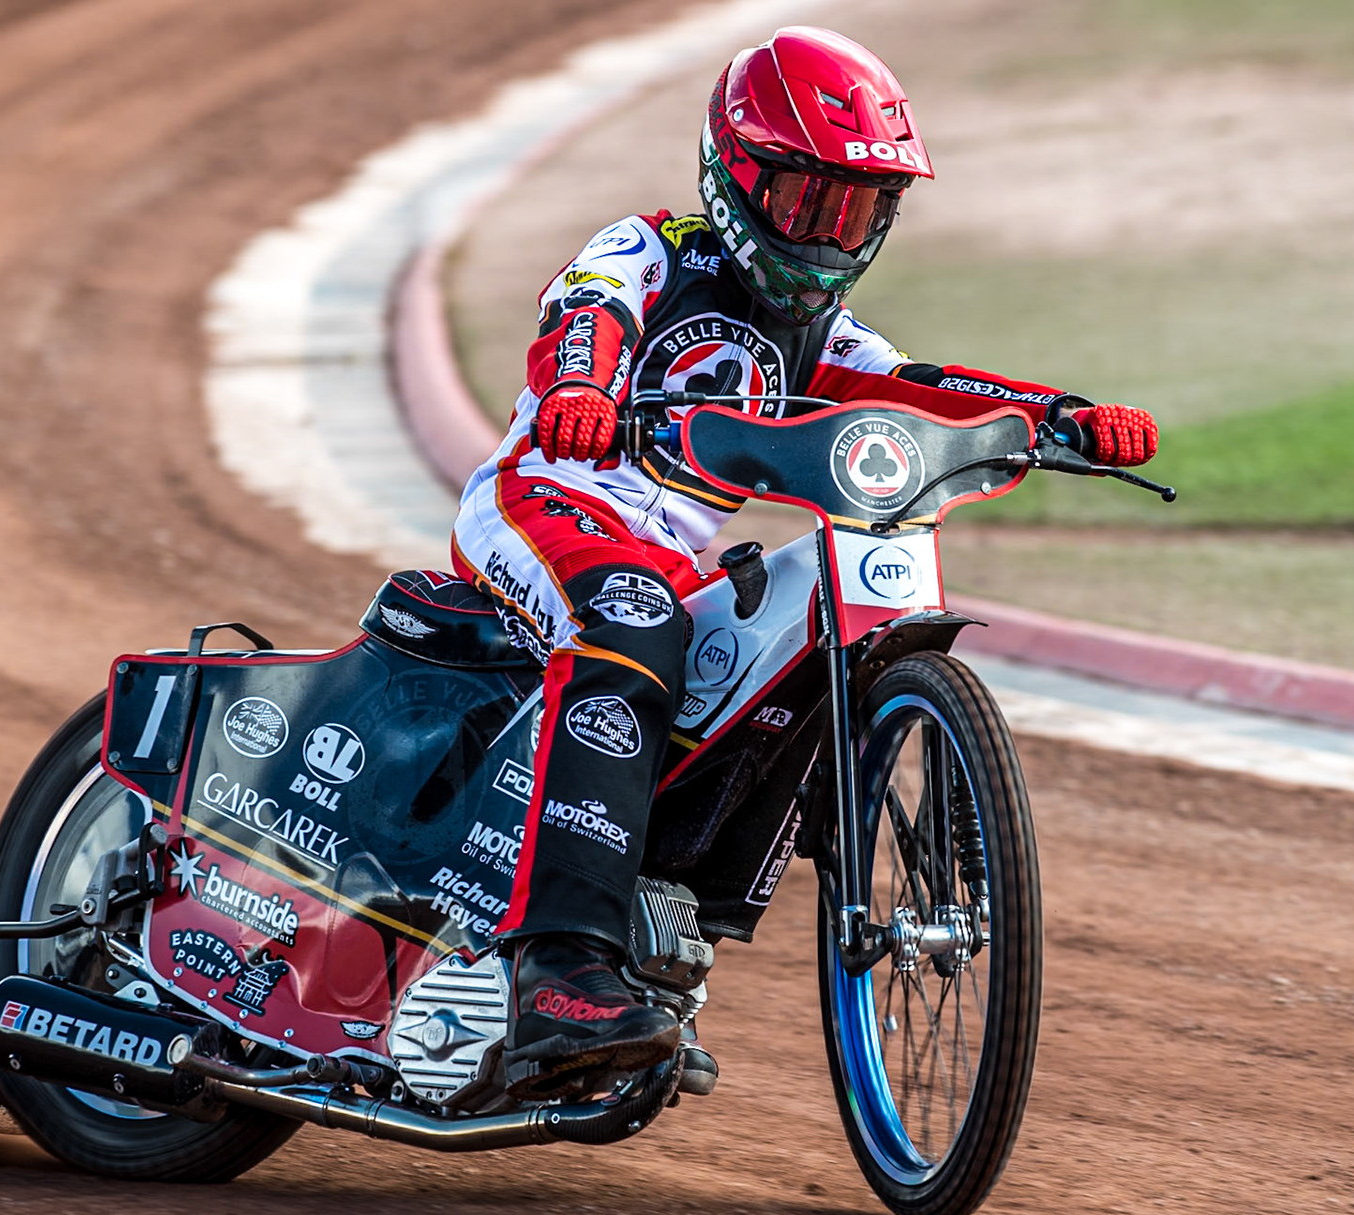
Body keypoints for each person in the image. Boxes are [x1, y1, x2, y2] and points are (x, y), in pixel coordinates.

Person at [450, 26, 1158, 1097]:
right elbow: (585, 315)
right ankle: (559, 967)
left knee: (765, 639)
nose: (832, 236)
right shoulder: (650, 249)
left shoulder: (821, 332)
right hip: (547, 501)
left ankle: (667, 918)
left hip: (668, 558)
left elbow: (916, 386)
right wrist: (580, 389)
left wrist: (1055, 417)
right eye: (809, 202)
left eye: (860, 209)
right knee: (635, 623)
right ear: (737, 176)